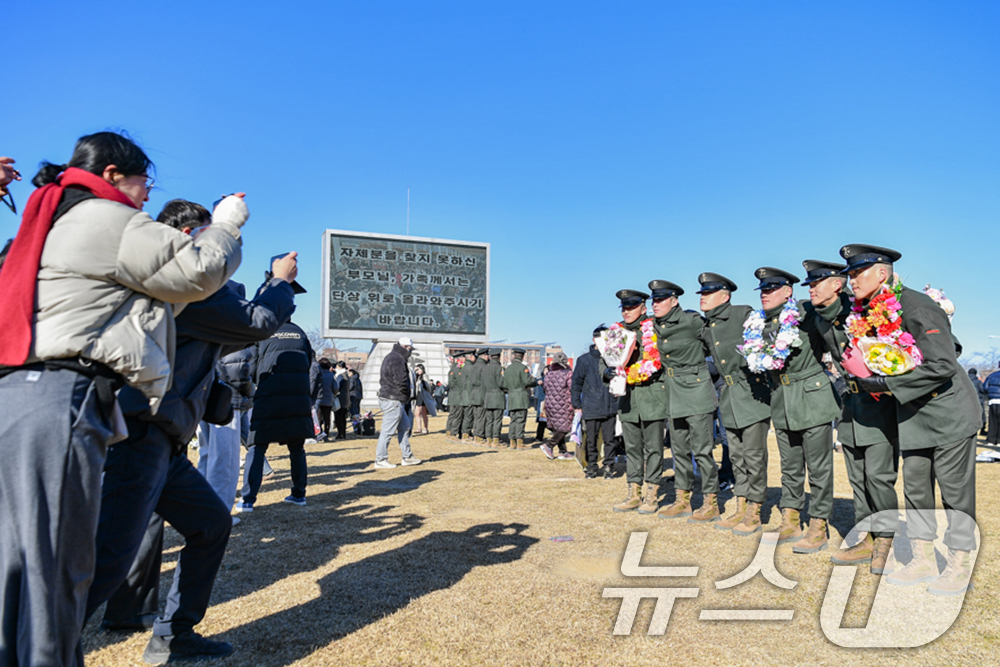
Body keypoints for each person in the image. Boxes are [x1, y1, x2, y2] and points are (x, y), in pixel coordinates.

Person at [0, 132, 244, 666]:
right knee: (59, 575)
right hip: (71, 401)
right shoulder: (100, 217)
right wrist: (225, 225)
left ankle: (172, 633)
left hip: (41, 399)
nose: (144, 198)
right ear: (113, 175)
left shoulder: (51, 219)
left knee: (30, 570)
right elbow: (198, 272)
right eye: (142, 184)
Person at [89, 201, 298, 663]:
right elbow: (254, 321)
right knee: (103, 561)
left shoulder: (183, 287)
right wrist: (280, 282)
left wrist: (265, 289)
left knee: (209, 525)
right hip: (138, 435)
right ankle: (27, 644)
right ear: (188, 234)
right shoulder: (181, 283)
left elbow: (241, 325)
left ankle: (172, 635)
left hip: (161, 441)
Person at [841, 244, 981, 595]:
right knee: (916, 489)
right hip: (913, 415)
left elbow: (945, 363)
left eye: (857, 273)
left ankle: (960, 562)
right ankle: (921, 557)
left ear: (882, 274)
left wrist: (886, 382)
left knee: (953, 491)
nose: (851, 280)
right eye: (850, 274)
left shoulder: (916, 305)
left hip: (948, 413)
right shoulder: (868, 313)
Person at [801, 259, 899, 573]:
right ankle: (867, 537)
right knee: (857, 477)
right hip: (851, 404)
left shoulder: (861, 307)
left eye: (817, 284)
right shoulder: (820, 319)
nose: (812, 290)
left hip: (880, 403)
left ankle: (885, 541)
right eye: (810, 285)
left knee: (879, 478)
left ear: (836, 284)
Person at [750, 267, 841, 554]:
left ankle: (818, 525)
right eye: (762, 290)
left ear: (788, 291)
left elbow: (834, 310)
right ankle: (790, 519)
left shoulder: (806, 314)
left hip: (812, 398)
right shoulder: (760, 324)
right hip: (783, 400)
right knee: (790, 467)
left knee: (819, 468)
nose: (765, 295)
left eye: (771, 289)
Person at [697, 273, 773, 536]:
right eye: (702, 294)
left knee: (754, 455)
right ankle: (741, 505)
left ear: (725, 296)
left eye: (708, 294)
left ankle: (755, 509)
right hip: (728, 394)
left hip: (752, 392)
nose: (703, 298)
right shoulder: (707, 327)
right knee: (736, 455)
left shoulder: (743, 314)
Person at [648, 280, 721, 522]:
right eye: (653, 300)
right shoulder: (654, 326)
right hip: (673, 392)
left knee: (702, 451)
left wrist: (704, 370)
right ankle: (683, 500)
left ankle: (710, 502)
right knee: (679, 450)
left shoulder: (692, 321)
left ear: (674, 300)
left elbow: (714, 345)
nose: (655, 304)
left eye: (660, 300)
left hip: (696, 391)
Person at [241, 318, 318, 509]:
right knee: (297, 448)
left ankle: (248, 500)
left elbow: (251, 367)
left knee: (257, 447)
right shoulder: (300, 332)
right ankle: (299, 494)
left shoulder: (262, 332)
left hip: (269, 395)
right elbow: (309, 364)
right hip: (297, 397)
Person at [606, 289, 669, 515]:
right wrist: (607, 373)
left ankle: (651, 492)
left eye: (631, 307)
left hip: (652, 396)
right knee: (632, 447)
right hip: (628, 398)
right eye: (624, 307)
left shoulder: (655, 329)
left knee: (654, 447)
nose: (626, 311)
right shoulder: (615, 333)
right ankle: (634, 491)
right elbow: (609, 362)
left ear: (644, 308)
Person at [572, 325, 622, 478]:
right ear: (594, 339)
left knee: (610, 439)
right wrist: (577, 405)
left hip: (610, 404)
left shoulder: (614, 358)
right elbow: (576, 384)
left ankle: (608, 465)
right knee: (591, 439)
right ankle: (592, 466)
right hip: (591, 405)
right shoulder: (584, 360)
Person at [374, 337, 422, 468]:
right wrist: (406, 394)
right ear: (406, 347)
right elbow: (401, 381)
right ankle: (380, 459)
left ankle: (407, 456)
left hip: (392, 398)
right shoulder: (397, 359)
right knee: (388, 430)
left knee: (405, 427)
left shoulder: (391, 356)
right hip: (393, 399)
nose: (411, 352)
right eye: (410, 349)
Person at [539, 351, 575, 460]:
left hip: (550, 403)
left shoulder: (549, 373)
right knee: (565, 427)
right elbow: (572, 388)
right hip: (564, 404)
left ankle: (563, 451)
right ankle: (549, 445)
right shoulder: (568, 373)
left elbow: (544, 388)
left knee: (557, 427)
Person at [500, 347, 538, 449]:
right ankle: (520, 442)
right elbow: (527, 382)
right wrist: (534, 381)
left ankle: (512, 442)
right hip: (521, 396)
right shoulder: (523, 368)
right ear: (522, 356)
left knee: (513, 420)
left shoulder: (508, 369)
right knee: (521, 420)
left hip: (511, 396)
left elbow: (504, 385)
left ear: (513, 356)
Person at [482, 348, 507, 447]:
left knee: (489, 420)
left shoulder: (485, 368)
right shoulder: (499, 368)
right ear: (499, 357)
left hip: (488, 396)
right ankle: (495, 440)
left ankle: (488, 440)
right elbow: (501, 383)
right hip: (497, 396)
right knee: (497, 420)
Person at [469, 348, 489, 444]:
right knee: (482, 416)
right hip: (482, 393)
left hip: (474, 393)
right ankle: (479, 436)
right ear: (485, 356)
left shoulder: (473, 366)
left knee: (477, 416)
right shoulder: (484, 367)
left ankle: (476, 434)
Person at [315, 358, 337, 440]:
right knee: (327, 418)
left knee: (318, 418)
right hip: (328, 398)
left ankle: (318, 433)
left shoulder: (317, 374)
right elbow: (336, 387)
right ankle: (326, 434)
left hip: (318, 398)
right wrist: (333, 393)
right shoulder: (331, 375)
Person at [334, 360, 351, 439]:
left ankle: (340, 433)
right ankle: (343, 433)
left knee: (338, 417)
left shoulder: (340, 376)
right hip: (346, 399)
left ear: (340, 367)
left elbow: (337, 387)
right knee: (343, 418)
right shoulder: (346, 375)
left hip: (339, 399)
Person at [413, 363, 432, 435]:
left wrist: (422, 381)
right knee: (416, 413)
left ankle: (425, 428)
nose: (417, 371)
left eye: (418, 369)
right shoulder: (416, 377)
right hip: (418, 396)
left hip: (423, 396)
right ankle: (419, 428)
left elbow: (428, 386)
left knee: (423, 413)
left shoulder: (424, 376)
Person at [968, 368, 988, 436]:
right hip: (978, 401)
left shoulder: (964, 382)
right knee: (982, 417)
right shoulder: (978, 382)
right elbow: (983, 390)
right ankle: (982, 430)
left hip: (966, 402)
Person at [984, 362, 1000, 446]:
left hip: (993, 400)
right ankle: (999, 440)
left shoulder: (992, 375)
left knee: (992, 421)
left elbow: (985, 387)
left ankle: (991, 440)